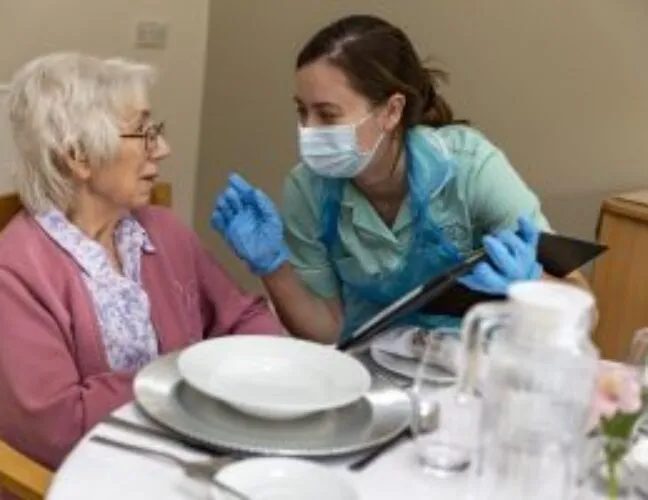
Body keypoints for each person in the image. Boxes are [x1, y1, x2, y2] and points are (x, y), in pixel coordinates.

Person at [211, 14, 590, 346]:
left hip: (470, 369)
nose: (308, 130)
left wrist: (532, 284)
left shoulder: (471, 167)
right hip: (372, 371)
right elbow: (326, 329)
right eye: (301, 111)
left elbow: (584, 307)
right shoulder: (307, 189)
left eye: (326, 115)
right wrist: (273, 268)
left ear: (391, 111)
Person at [0, 52, 283, 470]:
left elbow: (241, 316)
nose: (163, 149)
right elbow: (61, 428)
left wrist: (278, 370)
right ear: (78, 156)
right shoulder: (15, 273)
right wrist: (196, 378)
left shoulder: (162, 231)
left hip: (187, 454)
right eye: (144, 133)